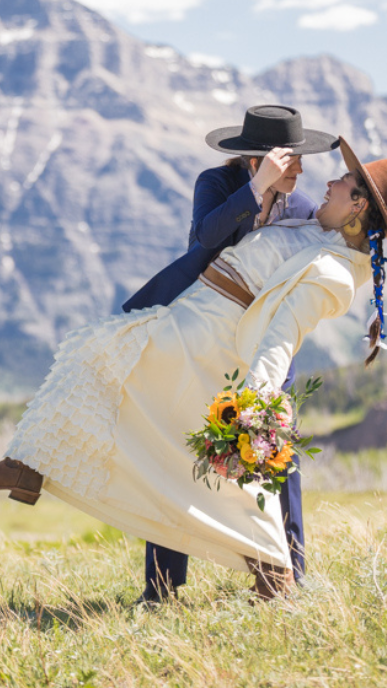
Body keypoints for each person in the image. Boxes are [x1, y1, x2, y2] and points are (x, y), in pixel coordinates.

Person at [0, 137, 387, 599]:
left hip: (209, 337)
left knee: (99, 356)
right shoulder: (315, 228)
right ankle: (30, 467)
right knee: (137, 403)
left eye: (343, 181)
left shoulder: (334, 273)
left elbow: (282, 334)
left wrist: (256, 399)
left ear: (358, 205)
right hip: (194, 313)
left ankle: (275, 571)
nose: (329, 181)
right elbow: (213, 235)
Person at [123, 105, 334, 602]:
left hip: (266, 343)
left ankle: (290, 575)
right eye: (292, 158)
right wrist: (256, 190)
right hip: (200, 338)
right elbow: (206, 237)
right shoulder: (216, 185)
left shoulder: (304, 208)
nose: (301, 168)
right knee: (177, 451)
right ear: (264, 159)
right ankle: (160, 588)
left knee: (277, 453)